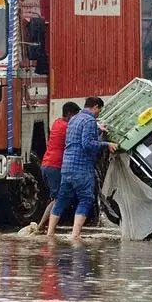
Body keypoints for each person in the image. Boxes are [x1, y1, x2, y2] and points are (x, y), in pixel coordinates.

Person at [47, 97, 118, 239]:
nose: (98, 113)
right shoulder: (90, 120)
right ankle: (75, 235)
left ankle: (50, 233)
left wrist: (98, 131)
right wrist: (106, 144)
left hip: (67, 166)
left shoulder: (74, 119)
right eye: (99, 110)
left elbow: (78, 139)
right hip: (81, 167)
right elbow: (87, 144)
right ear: (96, 107)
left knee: (62, 199)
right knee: (86, 199)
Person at [37, 102, 81, 231]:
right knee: (59, 199)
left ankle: (43, 226)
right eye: (75, 115)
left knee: (56, 198)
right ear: (68, 114)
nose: (76, 118)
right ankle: (44, 227)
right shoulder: (67, 127)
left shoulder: (57, 123)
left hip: (46, 164)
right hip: (55, 166)